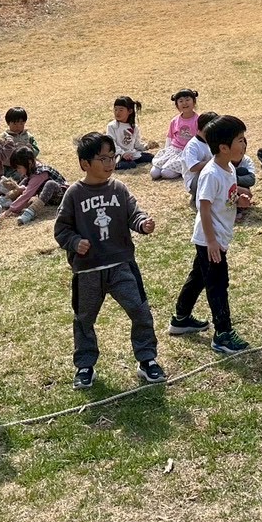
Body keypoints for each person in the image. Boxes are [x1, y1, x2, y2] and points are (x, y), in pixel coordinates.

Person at [53, 133, 165, 389]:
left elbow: (133, 213)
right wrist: (74, 242)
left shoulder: (119, 189)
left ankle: (147, 360)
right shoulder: (74, 194)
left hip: (121, 266)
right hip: (88, 271)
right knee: (84, 319)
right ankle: (85, 365)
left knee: (140, 310)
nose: (109, 163)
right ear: (84, 163)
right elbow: (61, 229)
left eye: (112, 157)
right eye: (102, 158)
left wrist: (142, 224)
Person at [170, 114, 252, 354]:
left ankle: (181, 318)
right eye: (240, 140)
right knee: (218, 284)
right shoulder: (211, 173)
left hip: (216, 237)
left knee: (199, 277)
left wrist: (239, 200)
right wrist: (212, 241)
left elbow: (224, 197)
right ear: (224, 147)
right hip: (210, 240)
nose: (244, 144)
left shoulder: (229, 168)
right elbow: (203, 208)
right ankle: (222, 334)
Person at [1, 146, 68, 225]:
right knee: (25, 181)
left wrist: (10, 210)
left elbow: (27, 195)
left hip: (60, 197)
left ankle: (30, 212)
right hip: (48, 198)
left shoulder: (39, 174)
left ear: (29, 163)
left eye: (19, 167)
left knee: (50, 184)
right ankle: (5, 200)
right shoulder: (32, 169)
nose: (17, 170)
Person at [151, 89, 201, 180]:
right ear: (177, 105)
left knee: (166, 173)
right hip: (174, 151)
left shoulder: (198, 120)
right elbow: (169, 138)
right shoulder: (174, 120)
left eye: (187, 100)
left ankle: (180, 170)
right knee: (154, 173)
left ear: (194, 102)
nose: (184, 103)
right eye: (181, 101)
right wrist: (166, 151)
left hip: (187, 152)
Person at [107, 96, 154, 170]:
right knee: (131, 164)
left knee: (150, 157)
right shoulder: (112, 126)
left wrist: (146, 146)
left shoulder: (134, 127)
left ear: (130, 111)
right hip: (118, 155)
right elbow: (112, 144)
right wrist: (123, 154)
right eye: (115, 109)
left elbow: (136, 144)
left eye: (121, 110)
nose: (117, 112)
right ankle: (115, 165)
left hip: (131, 154)